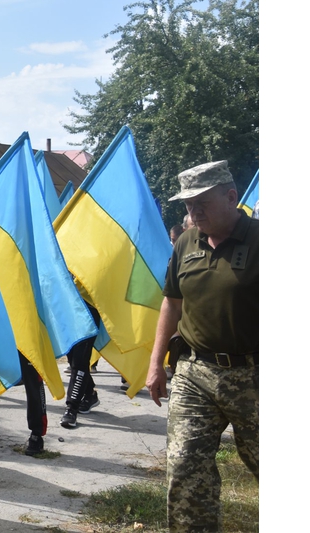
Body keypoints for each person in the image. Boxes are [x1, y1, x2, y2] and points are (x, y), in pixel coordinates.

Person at [146, 161, 258, 532]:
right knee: (185, 469)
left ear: (231, 197)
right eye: (188, 205)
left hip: (255, 376)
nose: (193, 213)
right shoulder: (186, 242)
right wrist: (155, 363)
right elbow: (172, 304)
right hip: (195, 372)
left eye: (201, 203)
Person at [60, 302, 102, 429]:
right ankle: (90, 393)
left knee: (79, 362)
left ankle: (71, 408)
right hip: (67, 307)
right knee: (72, 360)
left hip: (88, 311)